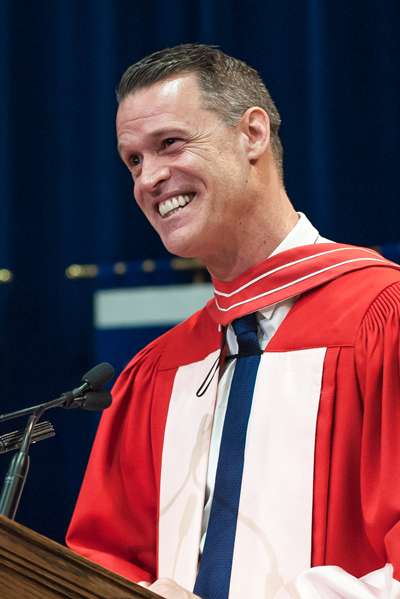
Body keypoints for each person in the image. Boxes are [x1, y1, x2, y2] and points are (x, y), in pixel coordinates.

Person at [67, 44, 400, 598]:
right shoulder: (156, 373)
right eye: (133, 160)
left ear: (253, 134)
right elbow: (103, 567)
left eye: (169, 144)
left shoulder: (381, 318)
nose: (149, 178)